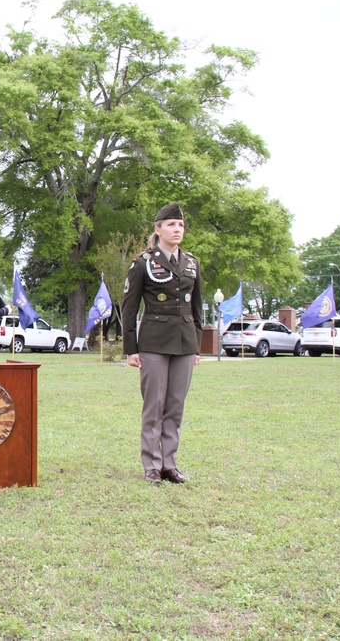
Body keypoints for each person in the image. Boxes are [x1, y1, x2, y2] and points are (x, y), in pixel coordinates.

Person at [121, 202, 202, 485]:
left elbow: (197, 309)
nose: (177, 229)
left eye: (180, 225)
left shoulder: (192, 263)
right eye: (171, 225)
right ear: (158, 230)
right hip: (154, 342)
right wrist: (131, 349)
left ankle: (169, 464)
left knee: (175, 407)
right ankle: (152, 466)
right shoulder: (142, 263)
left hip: (185, 343)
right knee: (154, 407)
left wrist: (197, 347)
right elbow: (129, 308)